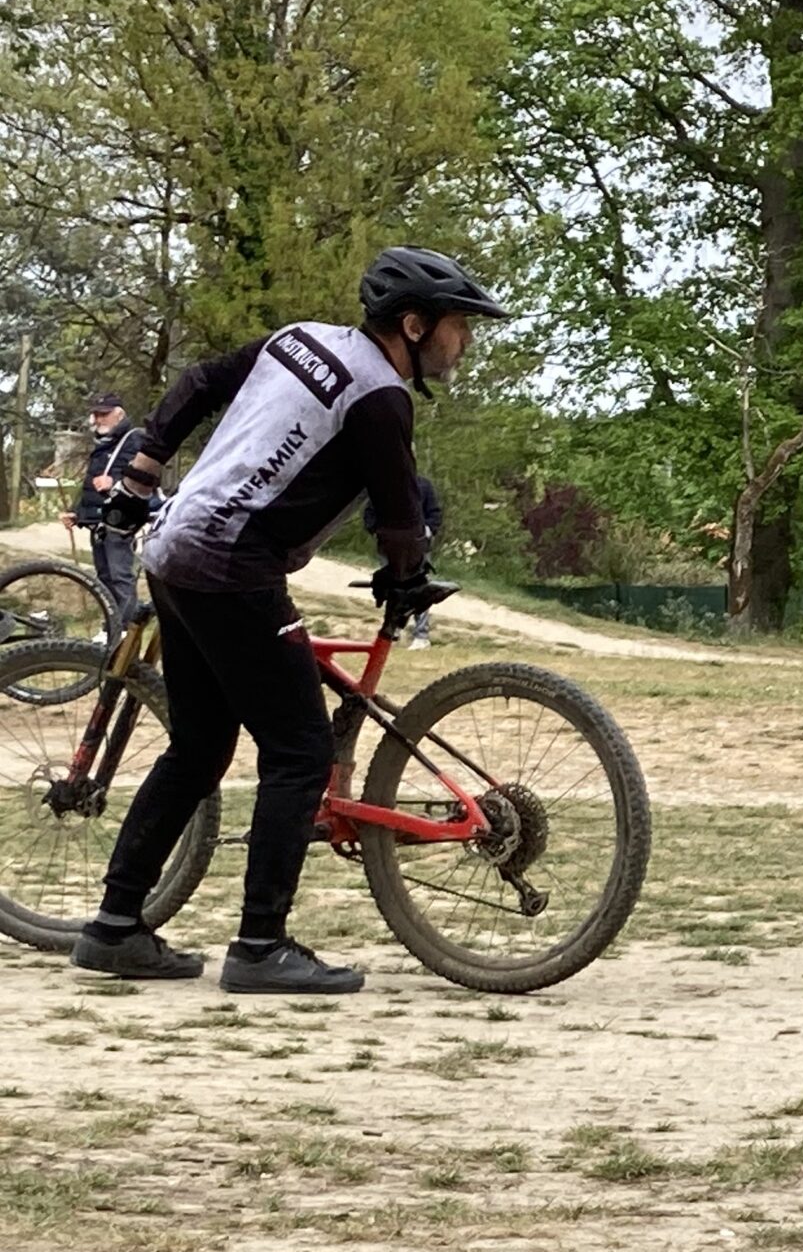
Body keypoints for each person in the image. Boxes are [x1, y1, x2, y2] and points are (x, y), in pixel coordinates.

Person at [70, 247, 509, 994]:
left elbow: (199, 382)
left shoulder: (299, 338)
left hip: (175, 548)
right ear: (413, 323)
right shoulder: (380, 396)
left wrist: (145, 469)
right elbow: (400, 512)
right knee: (301, 750)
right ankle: (259, 947)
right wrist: (406, 581)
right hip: (230, 564)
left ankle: (114, 929)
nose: (464, 342)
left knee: (201, 746)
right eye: (459, 326)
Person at [62, 391, 147, 626]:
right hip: (99, 522)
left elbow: (146, 476)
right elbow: (92, 486)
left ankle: (123, 631)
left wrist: (116, 481)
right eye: (96, 414)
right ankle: (114, 626)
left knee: (120, 578)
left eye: (104, 414)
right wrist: (77, 513)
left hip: (120, 521)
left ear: (119, 415)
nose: (98, 419)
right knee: (105, 578)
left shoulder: (134, 439)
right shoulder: (103, 443)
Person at [364, 475, 444, 647]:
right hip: (388, 547)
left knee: (420, 589)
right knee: (392, 588)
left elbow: (435, 514)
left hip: (418, 548)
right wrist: (378, 531)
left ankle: (421, 636)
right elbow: (370, 513)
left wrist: (425, 533)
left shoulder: (423, 485)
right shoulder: (383, 484)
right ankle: (392, 630)